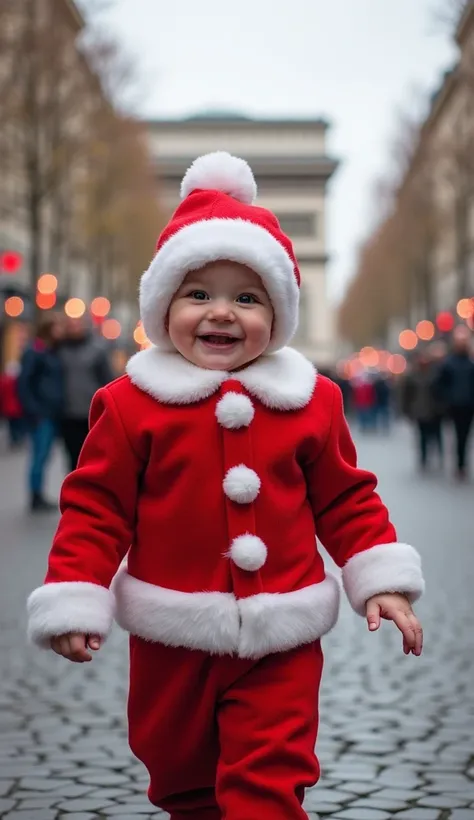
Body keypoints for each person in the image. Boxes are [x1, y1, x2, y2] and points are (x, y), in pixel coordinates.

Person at [26, 152, 424, 820]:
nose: (222, 313)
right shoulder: (129, 405)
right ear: (162, 305)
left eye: (247, 297)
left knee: (268, 780)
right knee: (182, 781)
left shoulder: (315, 401)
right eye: (198, 294)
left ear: (280, 311)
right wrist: (77, 592)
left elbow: (346, 497)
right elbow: (96, 508)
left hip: (282, 634)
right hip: (171, 636)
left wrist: (379, 575)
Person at [17, 315, 64, 511]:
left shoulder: (52, 351)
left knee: (45, 455)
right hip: (41, 413)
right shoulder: (35, 352)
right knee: (39, 454)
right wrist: (33, 410)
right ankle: (35, 495)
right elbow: (24, 383)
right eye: (57, 327)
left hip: (51, 412)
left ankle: (39, 492)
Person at [58, 315, 114, 472]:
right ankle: (72, 491)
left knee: (91, 457)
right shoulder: (60, 349)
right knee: (71, 457)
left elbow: (107, 380)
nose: (74, 328)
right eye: (71, 325)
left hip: (91, 413)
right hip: (67, 414)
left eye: (77, 324)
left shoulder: (97, 349)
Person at [436, 325, 474, 480]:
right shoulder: (448, 364)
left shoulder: (471, 363)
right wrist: (447, 399)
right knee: (458, 435)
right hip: (455, 405)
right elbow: (441, 384)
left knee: (465, 435)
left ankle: (462, 463)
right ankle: (460, 464)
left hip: (469, 405)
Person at [400, 352, 444, 471]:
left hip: (434, 410)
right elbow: (406, 395)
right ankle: (423, 458)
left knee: (436, 434)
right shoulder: (412, 376)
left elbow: (441, 392)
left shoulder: (436, 375)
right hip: (419, 410)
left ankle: (439, 456)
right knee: (422, 436)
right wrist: (406, 410)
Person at [0, 362, 26, 448]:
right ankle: (18, 439)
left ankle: (15, 439)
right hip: (18, 407)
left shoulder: (3, 381)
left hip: (8, 408)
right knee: (18, 425)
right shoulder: (18, 381)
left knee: (12, 425)